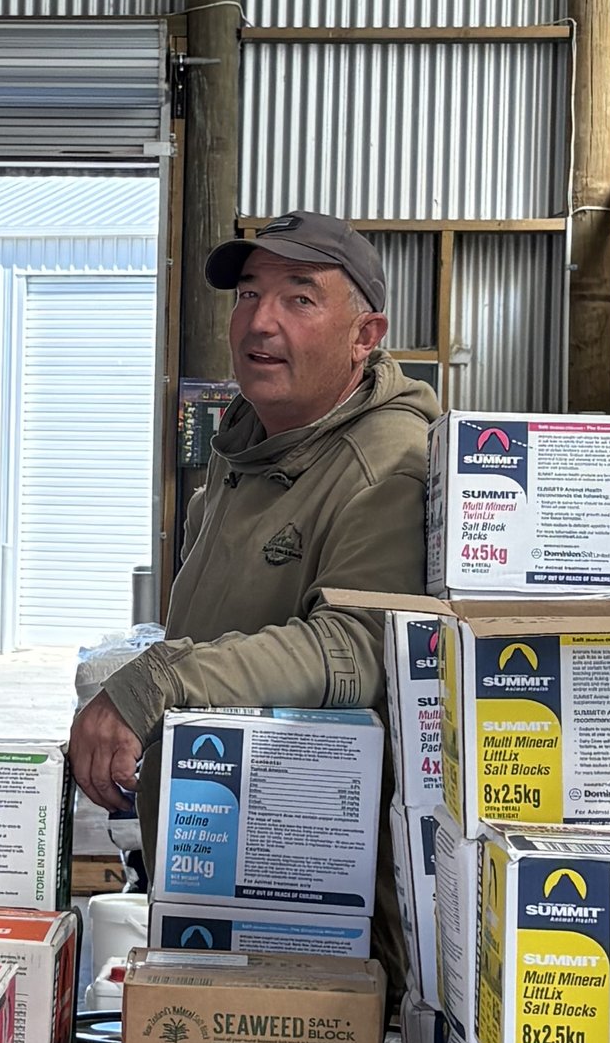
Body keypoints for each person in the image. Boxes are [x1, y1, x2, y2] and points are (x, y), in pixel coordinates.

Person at [68, 212, 437, 870]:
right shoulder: (251, 441)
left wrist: (155, 684)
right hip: (220, 858)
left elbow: (354, 649)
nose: (260, 321)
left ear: (365, 335)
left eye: (299, 297)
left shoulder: (383, 461)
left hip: (304, 886)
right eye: (247, 294)